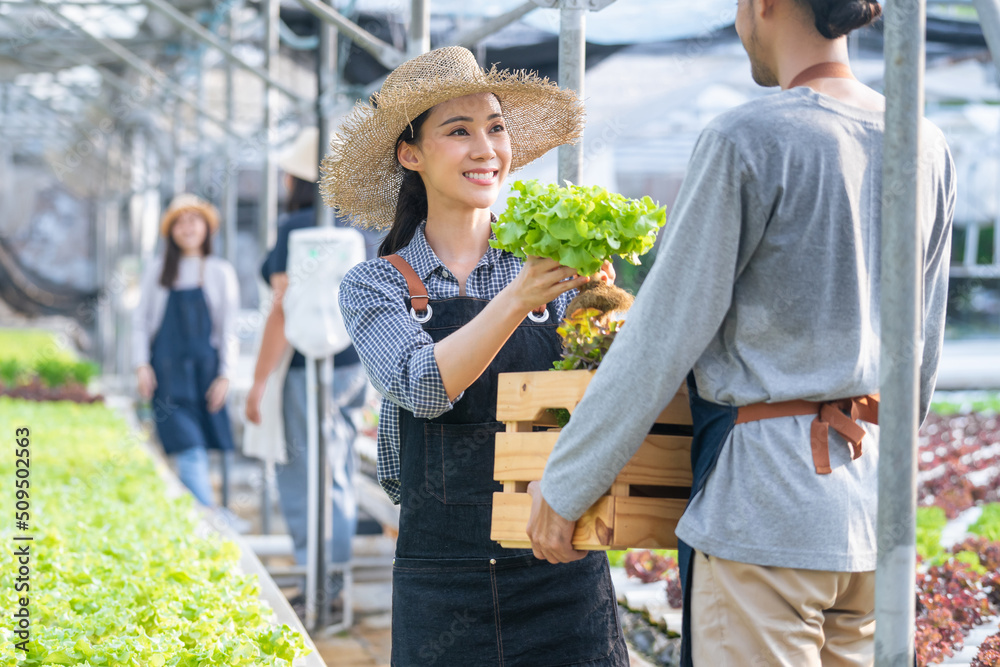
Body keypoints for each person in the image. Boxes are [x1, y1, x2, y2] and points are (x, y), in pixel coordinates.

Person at [527, 1, 957, 666]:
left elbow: (663, 335)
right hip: (872, 510)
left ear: (767, 5)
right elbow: (921, 358)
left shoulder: (748, 138)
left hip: (763, 510)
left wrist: (566, 483)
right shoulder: (923, 142)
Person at [327, 46, 629, 666]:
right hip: (442, 580)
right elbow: (422, 387)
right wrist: (520, 297)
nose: (485, 147)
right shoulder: (377, 285)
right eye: (457, 131)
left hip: (560, 564)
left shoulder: (556, 273)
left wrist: (606, 311)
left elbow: (613, 395)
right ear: (410, 155)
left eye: (495, 128)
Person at [245, 127, 367, 615]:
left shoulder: (297, 225)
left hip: (304, 363)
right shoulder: (357, 223)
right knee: (335, 465)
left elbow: (282, 309)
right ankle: (333, 576)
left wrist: (258, 381)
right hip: (351, 362)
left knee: (303, 469)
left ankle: (318, 578)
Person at [133, 194, 240, 511]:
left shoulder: (220, 271)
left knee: (204, 449)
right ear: (170, 232)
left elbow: (227, 330)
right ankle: (213, 521)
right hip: (167, 377)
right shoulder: (156, 271)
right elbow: (140, 322)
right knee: (188, 448)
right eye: (179, 222)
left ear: (207, 228)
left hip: (206, 376)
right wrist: (141, 365)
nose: (187, 227)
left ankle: (208, 520)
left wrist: (225, 375)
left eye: (194, 220)